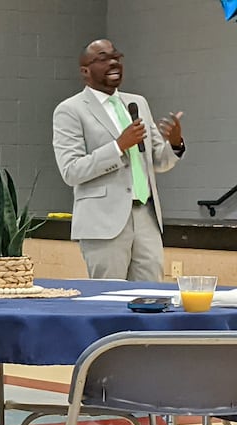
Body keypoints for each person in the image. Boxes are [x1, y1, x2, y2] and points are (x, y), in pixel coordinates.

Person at [52, 39, 186, 281]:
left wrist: (175, 144)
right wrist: (118, 146)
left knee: (151, 294)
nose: (113, 63)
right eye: (104, 58)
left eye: (116, 57)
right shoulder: (70, 110)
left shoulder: (138, 103)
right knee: (109, 295)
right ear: (85, 71)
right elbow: (71, 171)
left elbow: (158, 162)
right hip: (104, 222)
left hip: (146, 216)